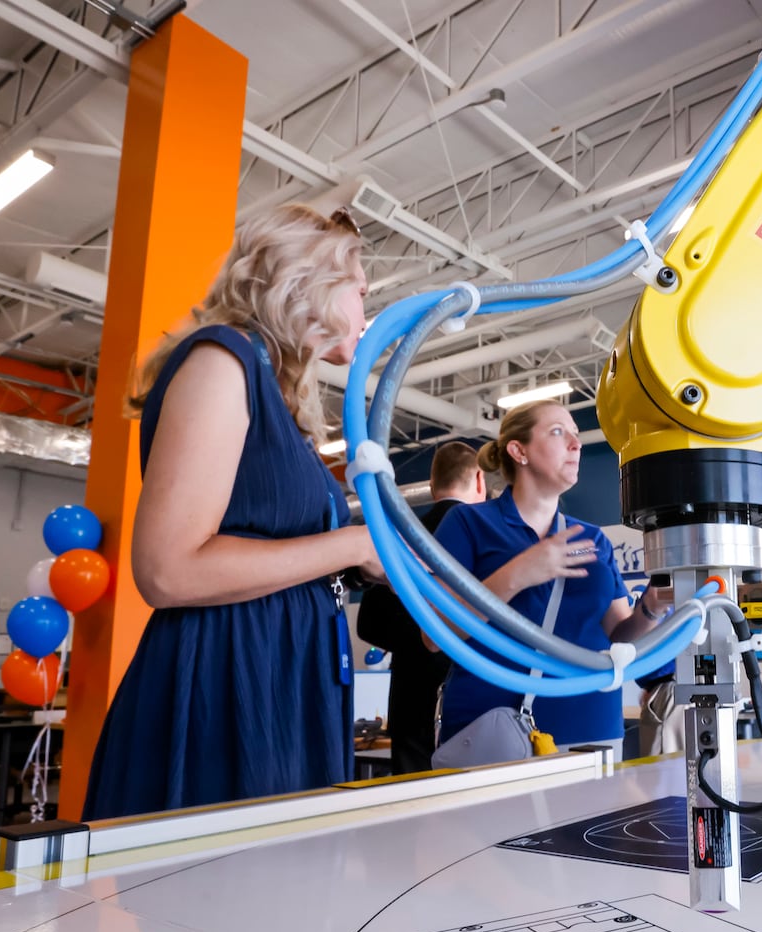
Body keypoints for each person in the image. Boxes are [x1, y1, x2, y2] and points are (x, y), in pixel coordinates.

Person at [83, 204, 380, 820]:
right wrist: (351, 547)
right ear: (312, 281)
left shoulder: (278, 397)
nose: (367, 308)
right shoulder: (223, 358)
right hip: (227, 681)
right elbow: (167, 571)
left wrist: (361, 563)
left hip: (283, 681)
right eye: (360, 289)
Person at [429, 400, 670, 761]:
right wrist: (520, 572)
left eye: (576, 434)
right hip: (493, 729)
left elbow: (618, 635)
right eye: (559, 432)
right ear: (518, 450)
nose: (576, 443)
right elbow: (434, 635)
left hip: (593, 726)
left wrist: (649, 610)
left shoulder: (592, 539)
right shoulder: (467, 524)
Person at [356, 442, 485, 774]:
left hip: (409, 699)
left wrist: (415, 644)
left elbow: (368, 624)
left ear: (431, 486)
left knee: (413, 808)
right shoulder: (488, 538)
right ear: (480, 480)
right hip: (473, 700)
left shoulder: (400, 537)